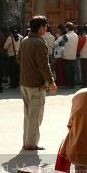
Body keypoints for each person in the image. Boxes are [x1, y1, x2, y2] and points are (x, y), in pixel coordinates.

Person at [19, 15, 58, 150]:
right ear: (41, 27)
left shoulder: (25, 40)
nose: (46, 29)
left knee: (28, 114)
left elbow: (19, 58)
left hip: (24, 82)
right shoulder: (39, 43)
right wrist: (51, 82)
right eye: (45, 26)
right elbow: (44, 66)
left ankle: (27, 141)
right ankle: (31, 143)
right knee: (35, 115)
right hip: (36, 84)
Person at [61, 22, 79, 89]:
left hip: (67, 55)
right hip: (73, 55)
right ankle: (72, 84)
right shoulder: (76, 35)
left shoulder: (66, 36)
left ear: (67, 28)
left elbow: (61, 43)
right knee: (72, 70)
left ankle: (68, 85)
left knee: (67, 71)